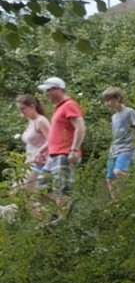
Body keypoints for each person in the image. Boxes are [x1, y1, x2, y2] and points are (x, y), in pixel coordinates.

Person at [37, 77, 84, 205]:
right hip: (53, 154)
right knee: (41, 187)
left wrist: (74, 150)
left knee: (62, 189)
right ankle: (68, 209)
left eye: (48, 91)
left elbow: (80, 127)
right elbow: (55, 133)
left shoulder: (69, 105)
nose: (46, 95)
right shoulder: (58, 108)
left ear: (58, 89)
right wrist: (43, 150)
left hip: (64, 153)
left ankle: (65, 218)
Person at [101, 87, 135, 198]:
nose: (107, 104)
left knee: (118, 172)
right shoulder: (114, 117)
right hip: (114, 150)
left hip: (127, 148)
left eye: (109, 100)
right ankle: (118, 204)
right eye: (105, 101)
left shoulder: (129, 111)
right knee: (110, 178)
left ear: (118, 98)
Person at [15, 95, 51, 190]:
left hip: (40, 162)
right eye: (19, 109)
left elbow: (52, 140)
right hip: (29, 161)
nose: (21, 112)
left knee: (22, 190)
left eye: (23, 109)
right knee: (21, 191)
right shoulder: (31, 120)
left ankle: (64, 201)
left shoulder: (41, 121)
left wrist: (40, 152)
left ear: (32, 106)